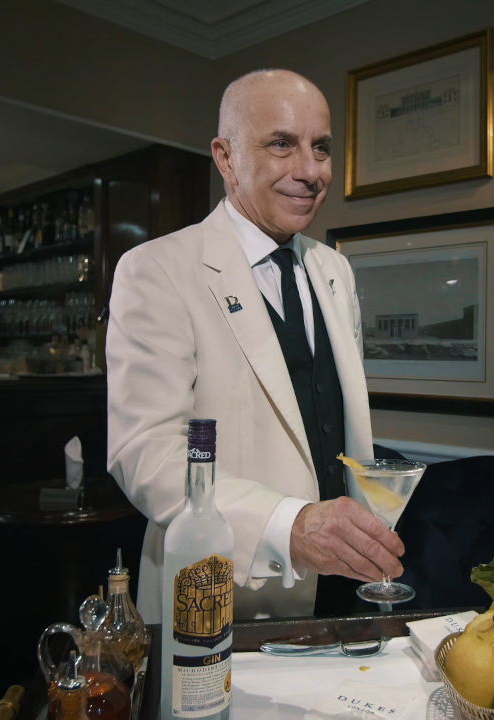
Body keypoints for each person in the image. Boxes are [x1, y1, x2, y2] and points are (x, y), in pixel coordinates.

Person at [107, 69, 404, 621]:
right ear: (225, 158)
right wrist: (287, 526)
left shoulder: (334, 269)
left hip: (342, 593)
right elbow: (148, 455)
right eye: (281, 145)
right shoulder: (157, 270)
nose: (310, 171)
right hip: (222, 598)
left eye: (321, 148)